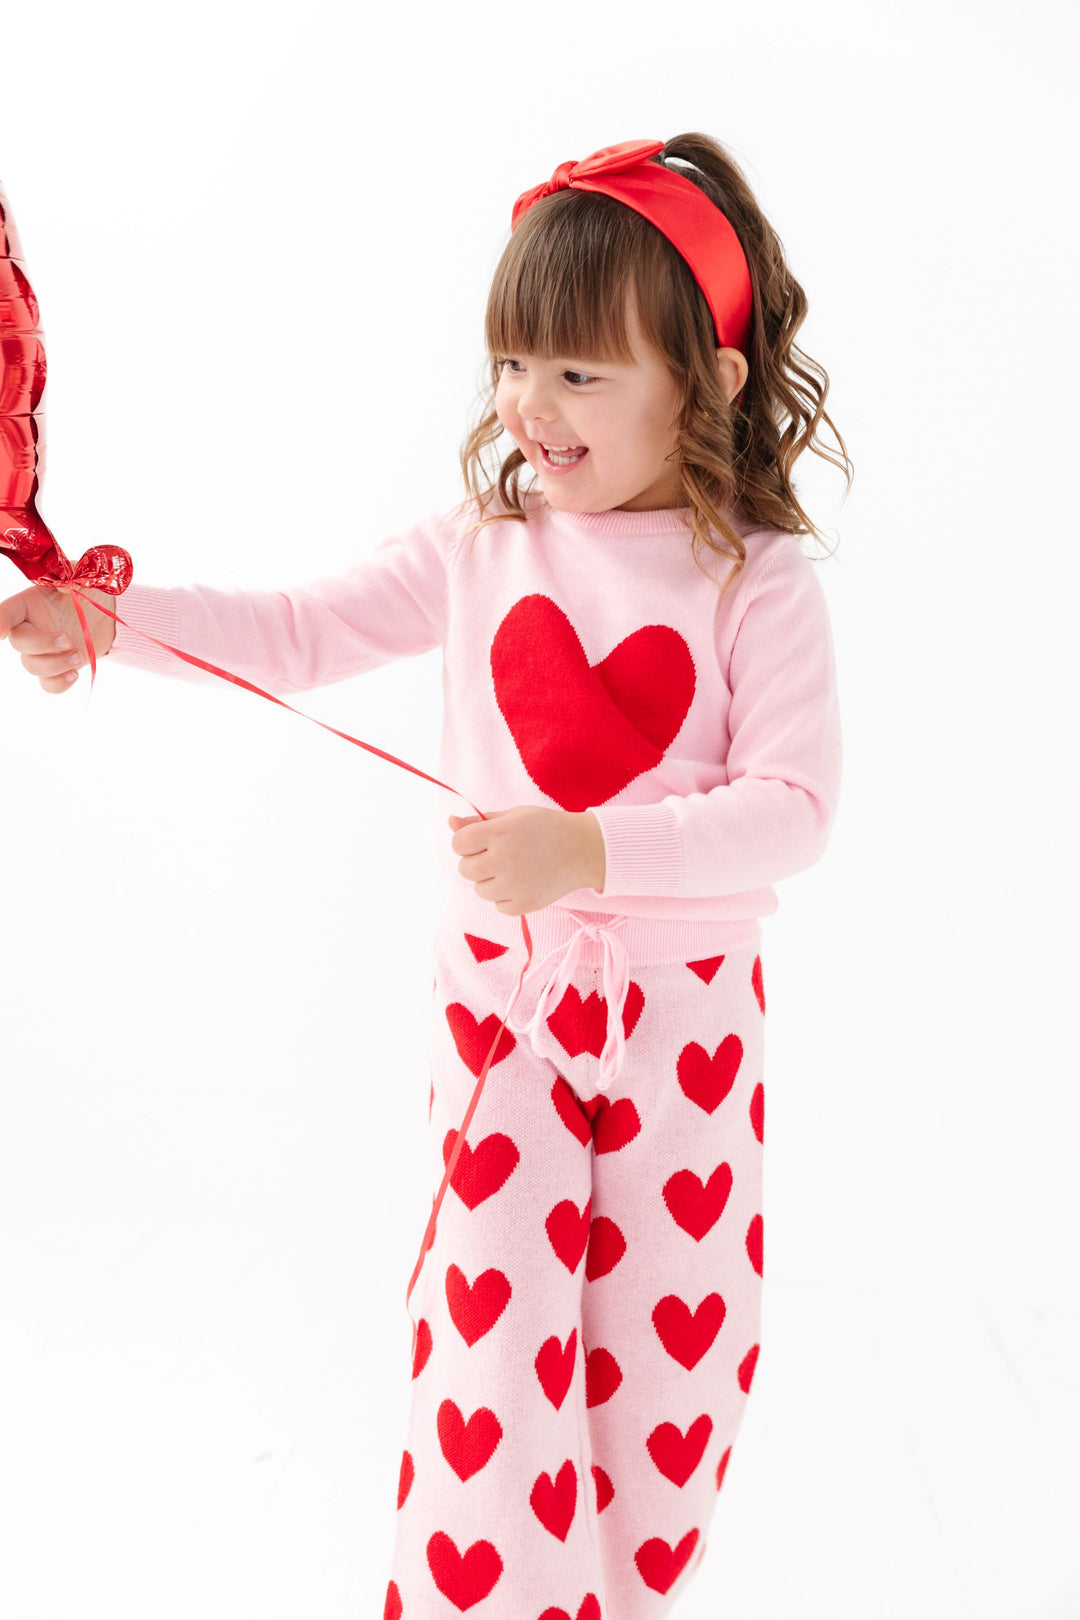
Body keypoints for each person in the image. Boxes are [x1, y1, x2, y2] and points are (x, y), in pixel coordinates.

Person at [0, 132, 848, 1618]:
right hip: (507, 1031)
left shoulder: (754, 578)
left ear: (708, 382)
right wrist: (107, 625)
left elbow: (793, 809)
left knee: (667, 1387)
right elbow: (295, 628)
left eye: (582, 372)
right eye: (516, 362)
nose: (531, 404)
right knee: (492, 1361)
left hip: (689, 1047)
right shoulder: (480, 548)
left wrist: (588, 850)